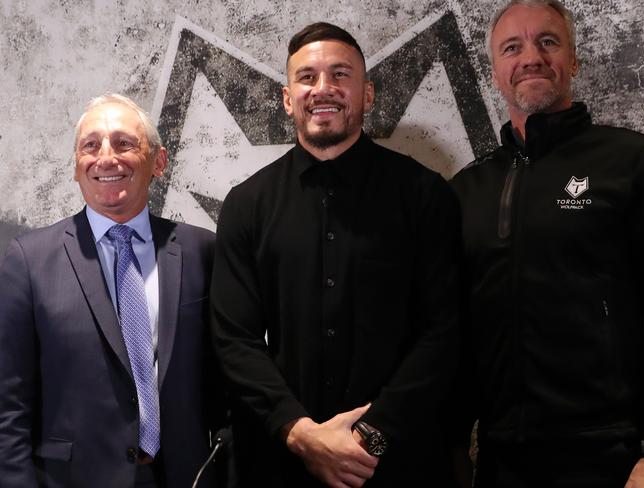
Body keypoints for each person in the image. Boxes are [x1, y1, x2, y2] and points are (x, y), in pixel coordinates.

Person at [210, 22, 461, 488]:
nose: (323, 89)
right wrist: (301, 434)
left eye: (340, 75)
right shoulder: (247, 204)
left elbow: (445, 331)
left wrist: (370, 436)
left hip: (400, 464)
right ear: (288, 98)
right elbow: (234, 339)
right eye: (307, 77)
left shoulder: (424, 195)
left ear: (366, 94)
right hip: (280, 465)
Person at [450, 1, 644, 486]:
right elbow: (449, 329)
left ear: (574, 60)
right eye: (512, 47)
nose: (531, 57)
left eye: (548, 41)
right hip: (501, 457)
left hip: (614, 457)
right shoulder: (466, 189)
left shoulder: (632, 162)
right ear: (496, 70)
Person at [0, 94, 225, 488]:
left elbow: (228, 378)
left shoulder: (201, 250)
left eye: (124, 143)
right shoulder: (28, 261)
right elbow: (8, 404)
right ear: (76, 166)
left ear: (158, 161)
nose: (106, 157)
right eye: (91, 145)